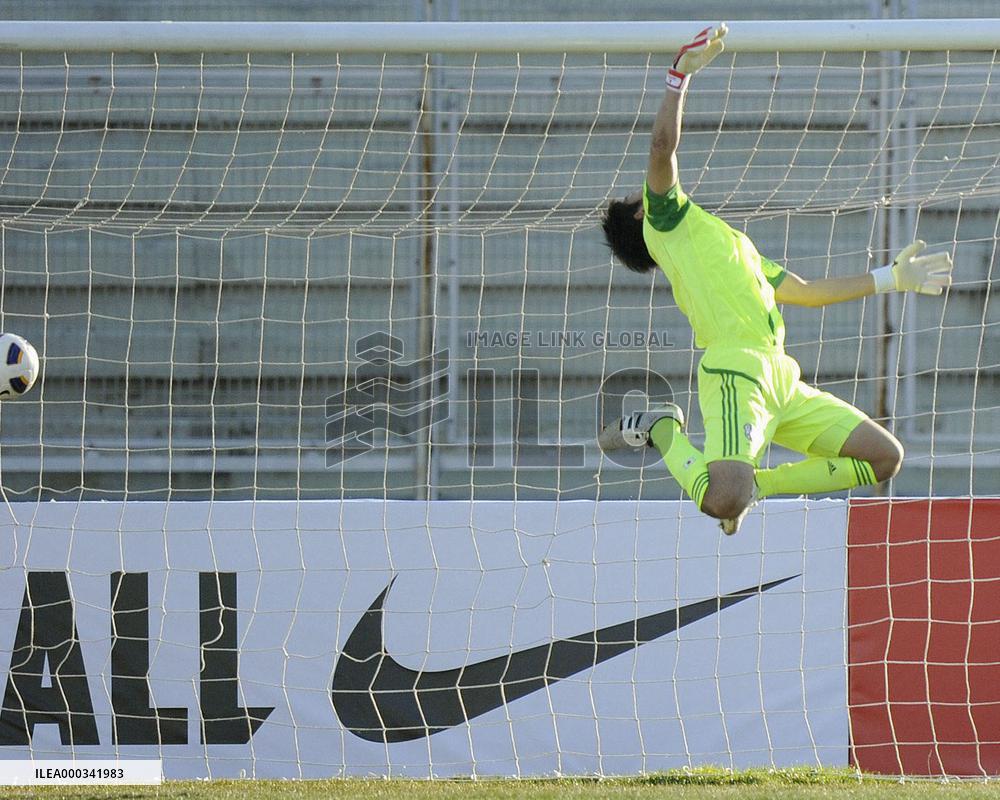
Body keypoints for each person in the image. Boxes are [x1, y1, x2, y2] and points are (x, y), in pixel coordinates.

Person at [598, 23, 953, 534]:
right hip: (735, 369)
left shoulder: (728, 243)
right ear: (641, 218)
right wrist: (678, 77)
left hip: (782, 377)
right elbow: (660, 147)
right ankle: (665, 430)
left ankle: (759, 486)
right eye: (640, 196)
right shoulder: (666, 221)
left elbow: (806, 293)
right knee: (722, 501)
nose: (646, 189)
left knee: (883, 457)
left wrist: (891, 278)